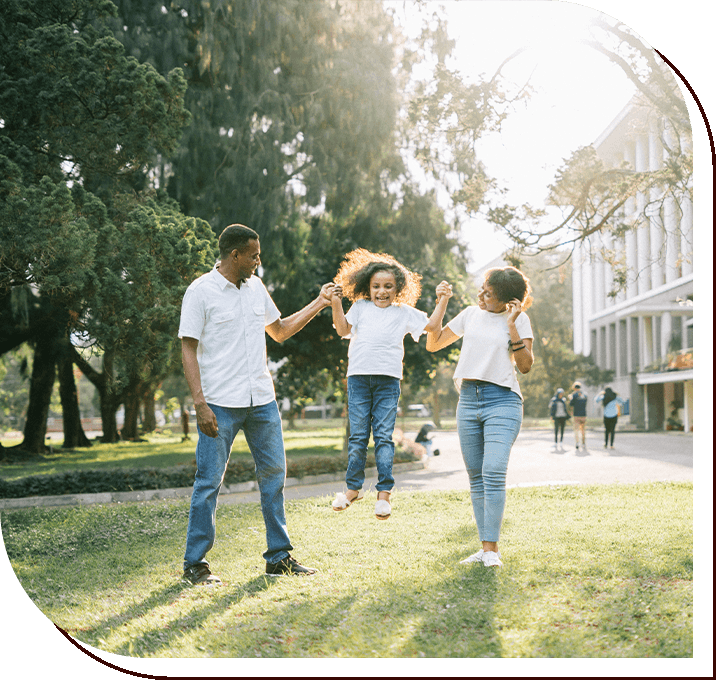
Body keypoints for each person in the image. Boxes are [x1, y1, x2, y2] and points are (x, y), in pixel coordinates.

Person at [178, 224, 336, 584]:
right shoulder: (200, 292)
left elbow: (279, 330)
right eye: (253, 255)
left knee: (274, 476)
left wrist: (319, 302)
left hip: (262, 401)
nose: (258, 261)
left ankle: (278, 558)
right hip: (219, 403)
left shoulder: (256, 288)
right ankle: (195, 564)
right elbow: (187, 347)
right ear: (235, 255)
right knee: (208, 482)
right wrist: (200, 404)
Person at [329, 248, 452, 520]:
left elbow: (432, 326)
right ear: (367, 287)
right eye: (376, 286)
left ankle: (384, 494)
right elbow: (342, 330)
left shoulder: (403, 312)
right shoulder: (360, 307)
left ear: (398, 289)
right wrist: (336, 303)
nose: (381, 291)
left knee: (383, 437)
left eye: (388, 286)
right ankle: (352, 490)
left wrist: (442, 300)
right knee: (358, 437)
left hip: (387, 381)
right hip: (359, 379)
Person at [426, 266, 534, 568]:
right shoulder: (471, 314)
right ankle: (487, 549)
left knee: (494, 470)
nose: (482, 295)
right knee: (476, 477)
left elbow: (525, 365)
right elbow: (433, 344)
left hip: (503, 400)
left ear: (509, 301)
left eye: (490, 293)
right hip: (468, 400)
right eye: (484, 289)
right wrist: (442, 302)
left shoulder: (520, 319)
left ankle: (491, 551)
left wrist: (511, 324)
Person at [568, 382, 588, 450]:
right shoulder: (584, 394)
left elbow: (571, 404)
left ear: (574, 388)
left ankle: (577, 443)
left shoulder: (574, 395)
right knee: (583, 430)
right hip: (583, 414)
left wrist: (570, 398)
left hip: (576, 414)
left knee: (576, 429)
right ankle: (583, 443)